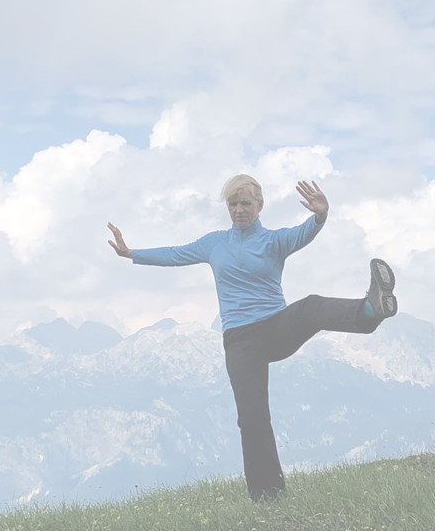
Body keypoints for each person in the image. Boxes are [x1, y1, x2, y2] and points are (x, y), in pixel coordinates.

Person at [107, 174, 397, 501]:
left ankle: (370, 311)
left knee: (311, 306)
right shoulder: (215, 243)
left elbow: (302, 233)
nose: (239, 210)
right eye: (233, 204)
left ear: (259, 205)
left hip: (276, 327)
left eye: (246, 203)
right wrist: (131, 253)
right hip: (240, 340)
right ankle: (268, 496)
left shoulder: (273, 241)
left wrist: (320, 216)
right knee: (252, 417)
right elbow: (176, 254)